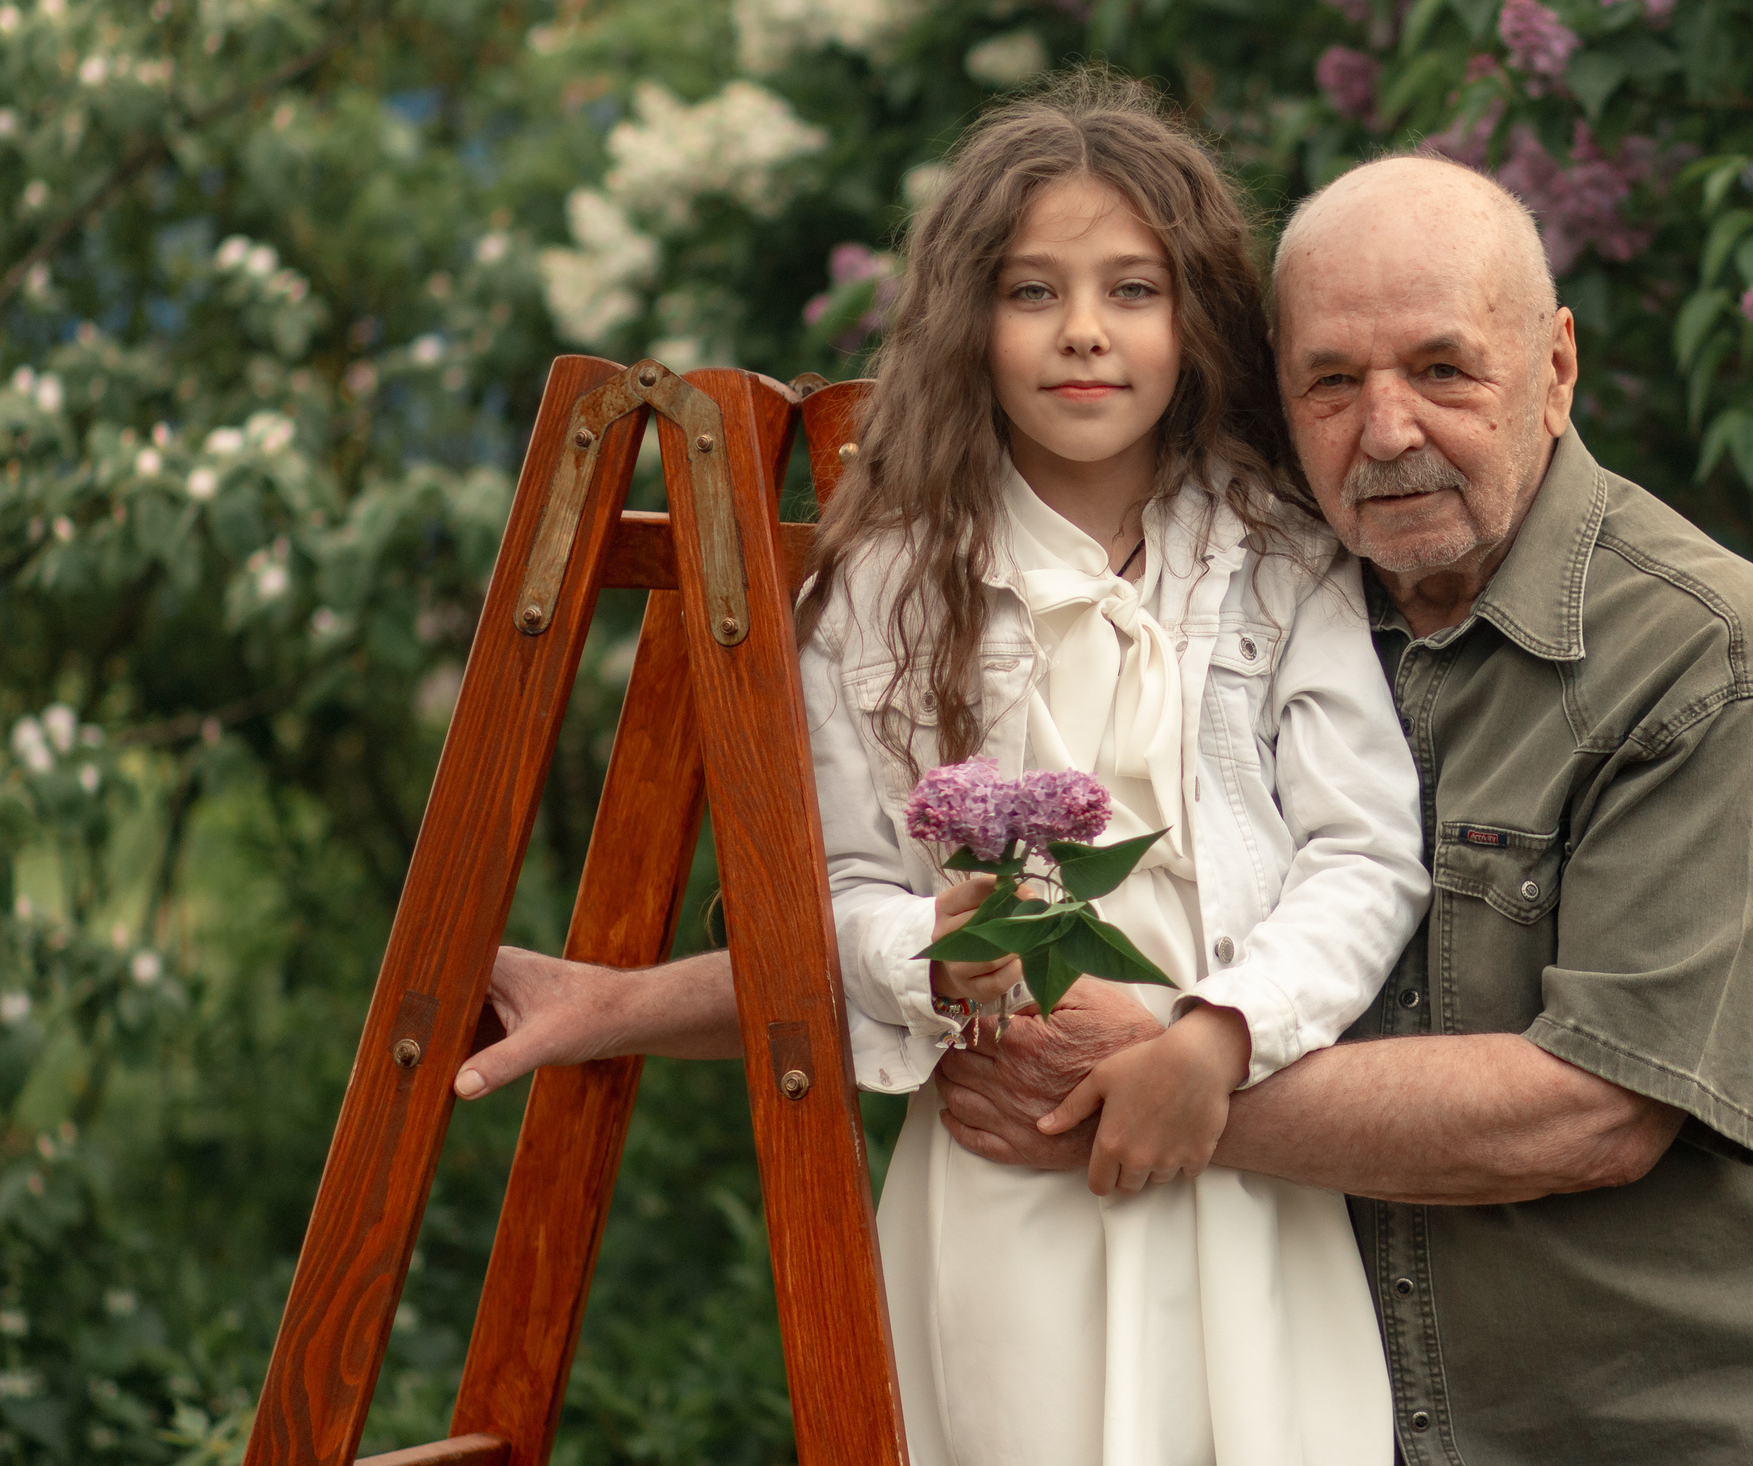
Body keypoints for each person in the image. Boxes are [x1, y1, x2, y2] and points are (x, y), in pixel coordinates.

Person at [933, 154, 1753, 1465]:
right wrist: (621, 1003)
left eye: (1442, 370)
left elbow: (1598, 1109)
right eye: (1330, 382)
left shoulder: (1699, 651)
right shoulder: (1255, 632)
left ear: (1556, 366)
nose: (1387, 432)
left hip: (1720, 1426)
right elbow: (903, 900)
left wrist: (1158, 1087)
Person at [459, 75, 1430, 1466]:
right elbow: (837, 885)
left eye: (1132, 290)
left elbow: (1363, 850)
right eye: (1033, 291)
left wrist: (1217, 1040)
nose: (1083, 332)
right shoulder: (883, 588)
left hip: (1239, 1156)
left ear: (1196, 319)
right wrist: (936, 946)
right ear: (969, 317)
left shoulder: (1278, 558)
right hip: (1005, 1163)